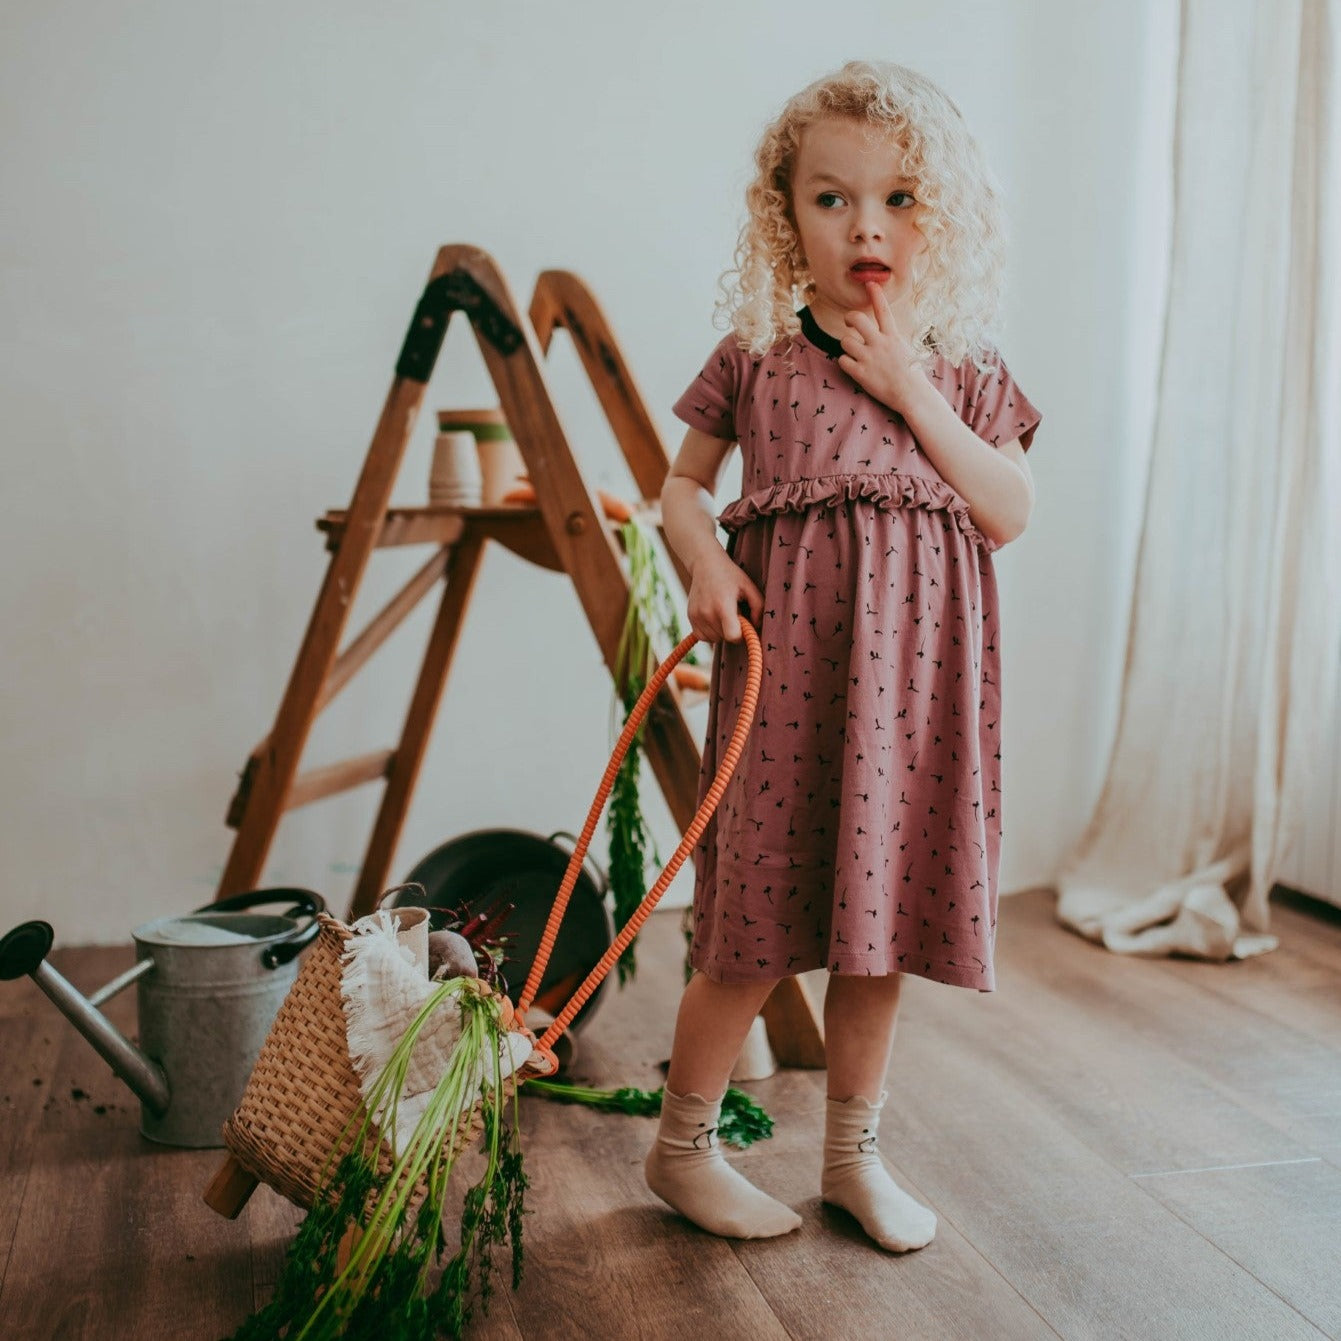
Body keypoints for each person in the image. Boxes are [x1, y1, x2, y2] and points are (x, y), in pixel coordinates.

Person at [645, 59, 1042, 1253]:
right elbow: (679, 488)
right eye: (832, 199)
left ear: (946, 218)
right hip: (790, 691)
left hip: (914, 703)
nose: (867, 225)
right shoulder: (758, 353)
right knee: (752, 925)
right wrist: (705, 565)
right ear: (788, 213)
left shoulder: (966, 369)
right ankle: (681, 1150)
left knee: (883, 929)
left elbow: (1007, 509)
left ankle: (851, 1159)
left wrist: (915, 386)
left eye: (901, 200)